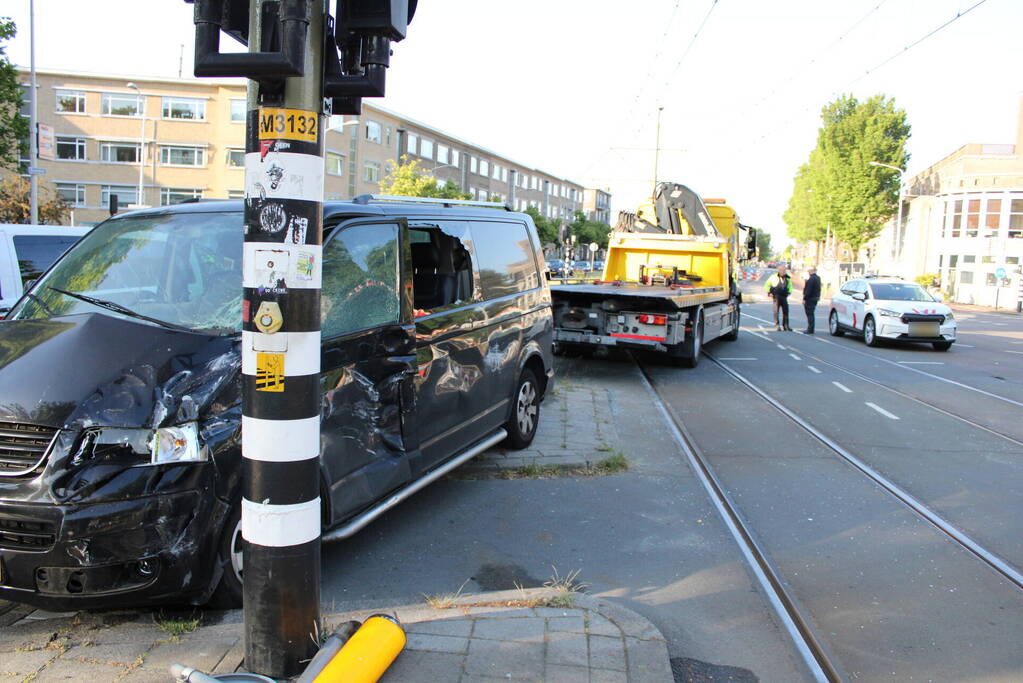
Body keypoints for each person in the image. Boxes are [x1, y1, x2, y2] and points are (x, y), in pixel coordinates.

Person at [764, 264, 792, 331]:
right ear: (779, 270)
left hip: (784, 296)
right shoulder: (773, 277)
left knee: (786, 311)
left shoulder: (787, 278)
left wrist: (789, 292)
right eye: (781, 270)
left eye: (784, 270)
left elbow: (790, 286)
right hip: (776, 296)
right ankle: (777, 325)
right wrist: (769, 292)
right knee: (776, 311)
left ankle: (786, 326)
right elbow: (767, 285)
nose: (783, 271)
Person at [802, 266, 821, 334]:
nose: (808, 272)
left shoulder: (811, 279)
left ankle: (810, 329)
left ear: (811, 270)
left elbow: (808, 291)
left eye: (809, 271)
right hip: (815, 297)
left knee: (809, 313)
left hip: (810, 298)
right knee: (811, 313)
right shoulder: (818, 278)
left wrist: (804, 299)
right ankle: (811, 328)